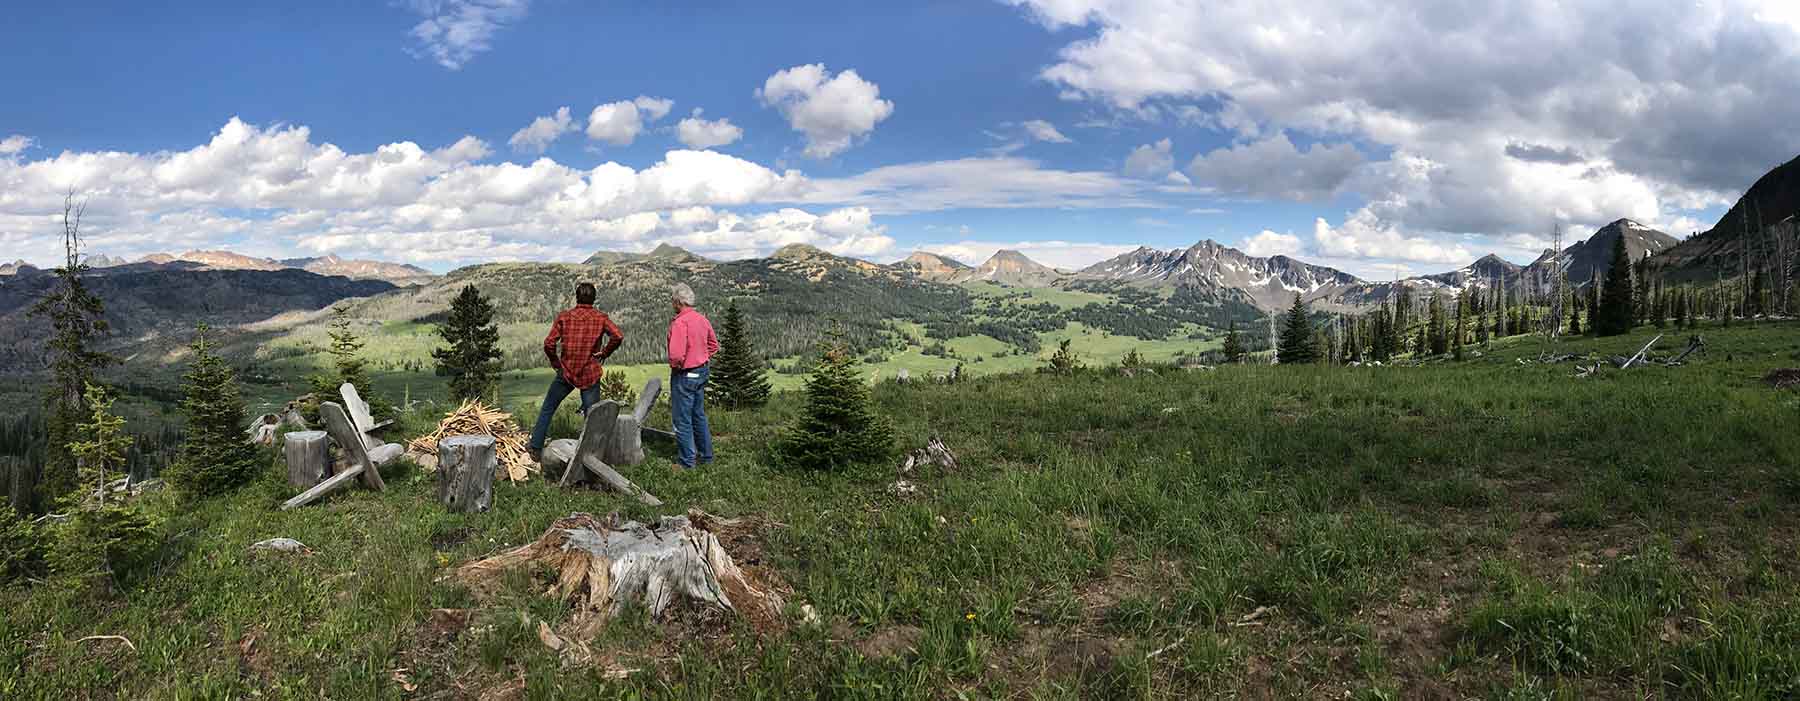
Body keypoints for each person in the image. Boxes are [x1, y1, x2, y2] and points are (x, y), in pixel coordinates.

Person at [528, 282, 624, 459]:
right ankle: (593, 454)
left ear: (576, 297)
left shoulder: (565, 317)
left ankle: (535, 447)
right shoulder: (601, 318)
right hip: (590, 372)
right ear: (594, 299)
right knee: (592, 416)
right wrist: (604, 353)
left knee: (548, 408)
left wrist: (556, 363)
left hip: (566, 372)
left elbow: (549, 344)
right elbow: (617, 336)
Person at [666, 283, 719, 469]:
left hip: (685, 375)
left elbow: (675, 355)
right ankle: (706, 457)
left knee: (682, 419)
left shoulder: (680, 322)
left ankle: (687, 462)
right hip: (702, 371)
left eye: (673, 300)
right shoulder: (701, 319)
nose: (672, 303)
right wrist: (701, 357)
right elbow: (714, 345)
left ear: (678, 301)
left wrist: (679, 366)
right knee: (698, 415)